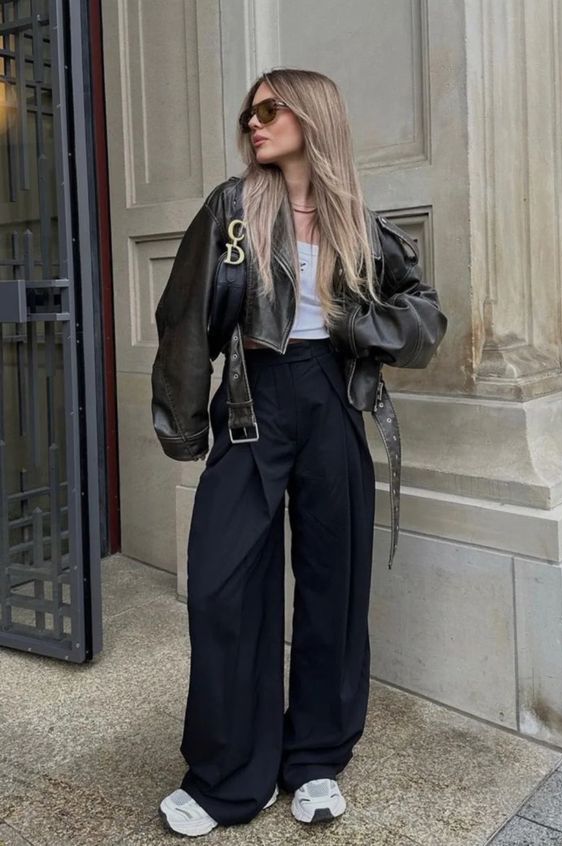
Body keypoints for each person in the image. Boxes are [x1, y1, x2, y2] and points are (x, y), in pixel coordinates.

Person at [153, 68, 447, 837]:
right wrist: (184, 425)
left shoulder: (358, 218)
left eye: (270, 109)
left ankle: (314, 757)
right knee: (222, 590)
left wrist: (360, 328)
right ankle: (227, 775)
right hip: (254, 403)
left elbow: (423, 314)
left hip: (332, 402)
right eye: (250, 112)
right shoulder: (233, 209)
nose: (255, 122)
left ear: (311, 116)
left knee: (332, 586)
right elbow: (186, 319)